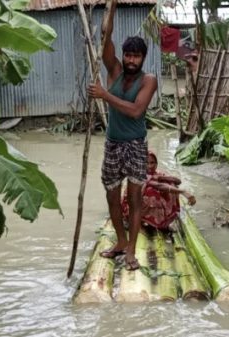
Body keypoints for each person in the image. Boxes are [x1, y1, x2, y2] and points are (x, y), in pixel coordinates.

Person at [86, 1, 158, 271]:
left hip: (136, 145)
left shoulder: (148, 80)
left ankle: (131, 251)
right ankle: (119, 241)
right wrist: (111, 7)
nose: (130, 60)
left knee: (135, 199)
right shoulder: (114, 71)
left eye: (135, 56)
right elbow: (106, 39)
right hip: (113, 144)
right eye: (128, 55)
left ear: (143, 58)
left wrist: (105, 95)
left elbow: (136, 111)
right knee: (112, 196)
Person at [122, 151, 196, 231]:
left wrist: (163, 178)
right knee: (152, 193)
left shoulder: (158, 173)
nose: (149, 166)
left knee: (171, 185)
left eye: (152, 163)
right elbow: (158, 186)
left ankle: (162, 219)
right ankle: (137, 219)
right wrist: (183, 192)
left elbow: (178, 181)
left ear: (156, 164)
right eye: (146, 163)